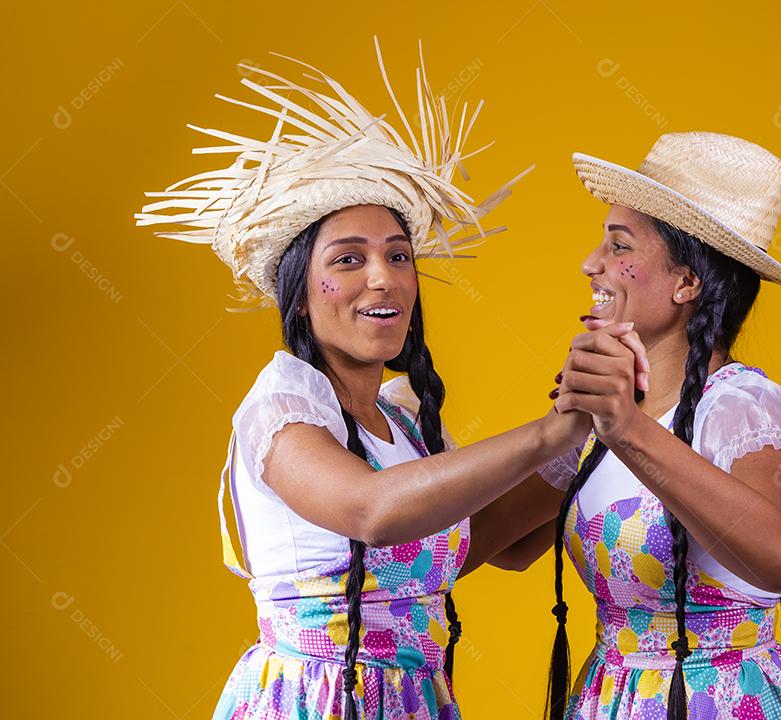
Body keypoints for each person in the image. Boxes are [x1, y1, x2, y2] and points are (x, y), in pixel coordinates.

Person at [135, 42, 647, 720]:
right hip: (318, 702)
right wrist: (554, 430)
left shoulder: (401, 424)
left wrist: (597, 431)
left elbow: (500, 544)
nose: (383, 277)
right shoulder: (280, 409)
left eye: (398, 256)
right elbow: (371, 512)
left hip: (412, 701)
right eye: (348, 259)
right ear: (299, 292)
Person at [523, 132, 781, 719]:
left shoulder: (740, 405)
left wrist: (627, 428)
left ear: (687, 283)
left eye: (619, 246)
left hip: (718, 701)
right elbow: (499, 546)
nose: (592, 264)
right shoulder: (600, 417)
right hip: (613, 698)